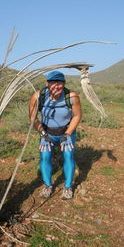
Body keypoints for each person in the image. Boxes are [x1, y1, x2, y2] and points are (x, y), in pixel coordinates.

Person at [29, 70, 82, 200]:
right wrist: (42, 134)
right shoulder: (38, 96)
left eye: (60, 83)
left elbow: (77, 115)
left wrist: (68, 134)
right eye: (53, 83)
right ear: (47, 84)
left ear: (64, 84)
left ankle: (68, 187)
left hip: (66, 131)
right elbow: (32, 117)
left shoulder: (71, 97)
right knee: (45, 156)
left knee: (68, 156)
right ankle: (47, 185)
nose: (57, 86)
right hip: (47, 133)